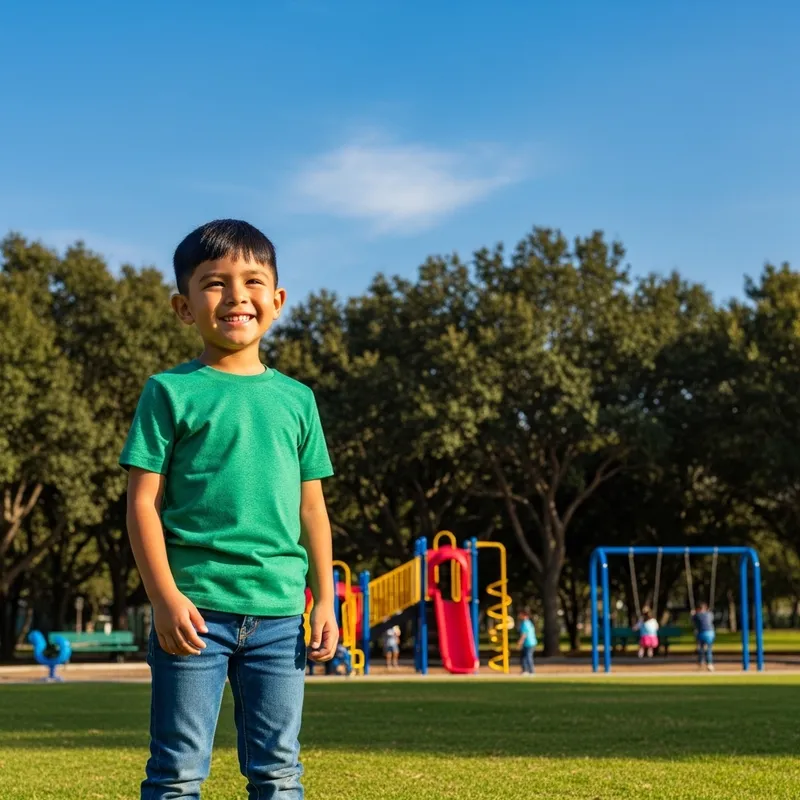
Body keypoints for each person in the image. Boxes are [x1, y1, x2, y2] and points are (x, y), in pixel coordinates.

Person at [121, 220, 338, 799]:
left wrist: (326, 601)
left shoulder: (299, 400)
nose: (237, 296)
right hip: (194, 615)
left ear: (278, 299)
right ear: (184, 307)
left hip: (280, 616)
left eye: (253, 281)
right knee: (177, 774)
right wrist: (165, 599)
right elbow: (142, 503)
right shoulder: (168, 391)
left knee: (278, 773)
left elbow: (312, 510)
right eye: (214, 283)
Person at [693, 602, 716, 672]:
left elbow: (694, 621)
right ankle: (710, 664)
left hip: (702, 634)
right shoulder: (710, 614)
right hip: (711, 633)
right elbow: (711, 619)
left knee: (701, 648)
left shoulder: (697, 615)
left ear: (698, 609)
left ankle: (701, 662)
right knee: (709, 649)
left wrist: (693, 614)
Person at [516, 609, 537, 675]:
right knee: (524, 657)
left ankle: (531, 671)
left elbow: (524, 634)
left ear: (524, 615)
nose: (519, 616)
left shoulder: (525, 623)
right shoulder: (528, 622)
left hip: (529, 643)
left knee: (528, 657)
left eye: (520, 614)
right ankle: (525, 670)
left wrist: (520, 642)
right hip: (530, 642)